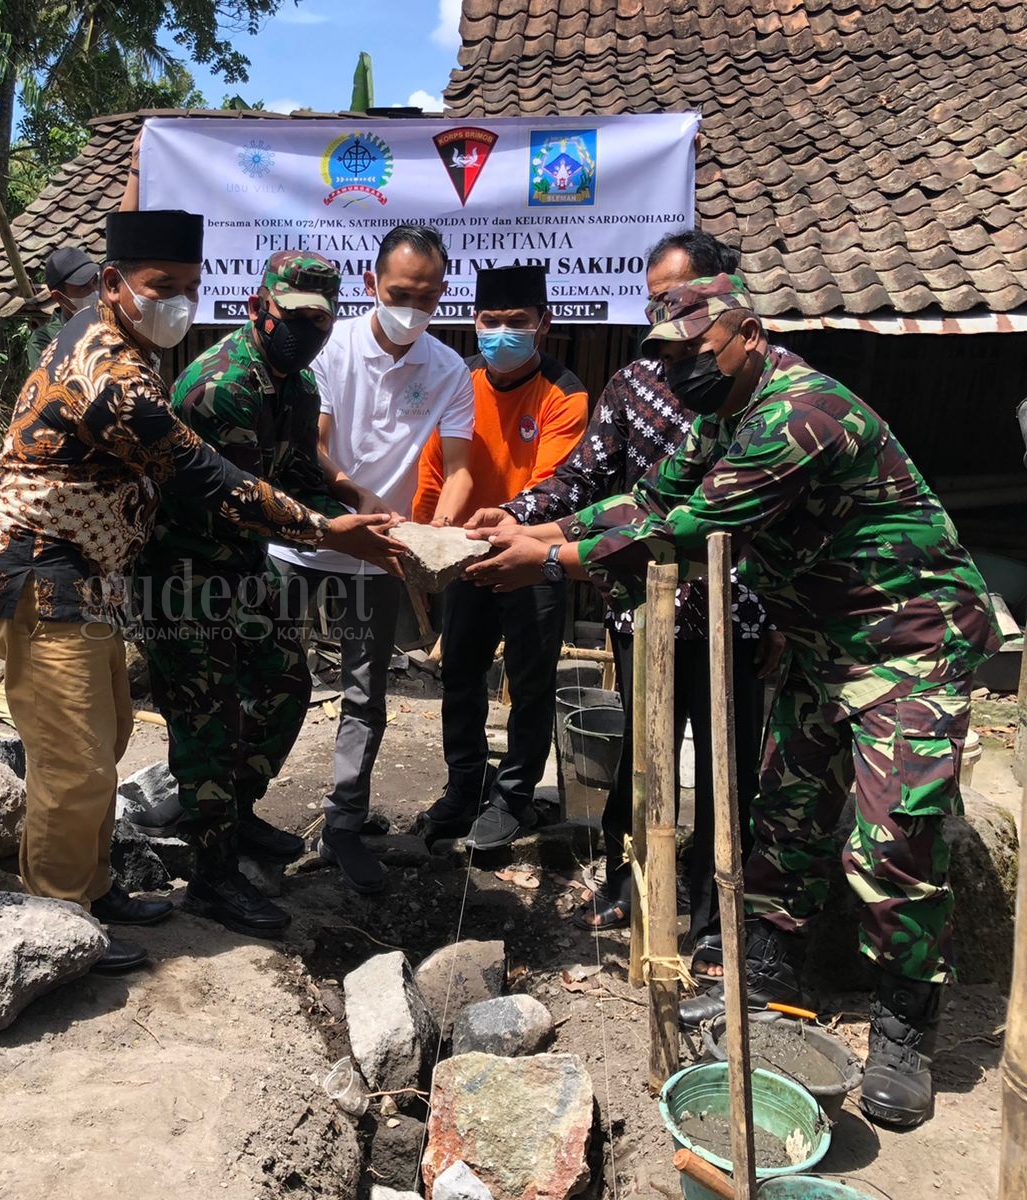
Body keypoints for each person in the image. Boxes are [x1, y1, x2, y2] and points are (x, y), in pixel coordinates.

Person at [469, 272, 1001, 1129]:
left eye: (694, 352)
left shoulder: (800, 415)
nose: (681, 371)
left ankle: (906, 1029)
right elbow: (649, 498)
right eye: (668, 358)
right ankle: (771, 983)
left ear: (747, 334)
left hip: (906, 642)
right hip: (819, 643)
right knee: (784, 818)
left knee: (892, 841)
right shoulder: (721, 417)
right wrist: (536, 530)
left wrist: (552, 562)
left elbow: (695, 526)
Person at [0, 210, 404, 970]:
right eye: (159, 286)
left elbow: (288, 466)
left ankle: (94, 886)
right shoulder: (112, 375)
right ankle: (56, 926)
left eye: (188, 288)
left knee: (101, 742)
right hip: (46, 571)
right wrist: (328, 531)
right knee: (77, 759)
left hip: (91, 573)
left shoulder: (128, 348)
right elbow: (208, 479)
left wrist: (344, 504)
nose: (177, 302)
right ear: (113, 285)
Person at [477, 231, 776, 979]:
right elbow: (593, 486)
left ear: (721, 298)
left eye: (676, 300)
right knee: (642, 760)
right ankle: (624, 880)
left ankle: (713, 915)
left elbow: (677, 521)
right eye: (653, 303)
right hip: (642, 604)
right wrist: (518, 517)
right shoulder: (636, 382)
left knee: (722, 767)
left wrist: (545, 553)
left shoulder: (753, 387)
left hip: (727, 614)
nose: (663, 318)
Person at [129, 251, 350, 936]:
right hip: (181, 573)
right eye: (295, 316)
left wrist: (357, 516)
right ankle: (211, 873)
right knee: (208, 717)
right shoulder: (221, 386)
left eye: (321, 319)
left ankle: (238, 813)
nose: (308, 330)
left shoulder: (298, 386)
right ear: (261, 308)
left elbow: (296, 475)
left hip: (243, 568)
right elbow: (242, 499)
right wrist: (335, 531)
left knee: (287, 683)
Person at [267, 223, 475, 894]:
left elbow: (462, 468)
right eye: (398, 293)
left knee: (366, 693)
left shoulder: (447, 370)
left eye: (426, 296)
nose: (411, 306)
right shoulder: (332, 348)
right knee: (271, 675)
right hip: (304, 541)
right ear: (370, 287)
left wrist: (436, 536)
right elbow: (314, 445)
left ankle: (346, 823)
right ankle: (235, 810)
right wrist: (349, 496)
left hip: (382, 554)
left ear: (443, 294)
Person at [410, 264, 587, 850]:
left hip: (532, 556)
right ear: (474, 321)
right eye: (491, 321)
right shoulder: (458, 380)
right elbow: (434, 467)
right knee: (460, 673)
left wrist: (512, 536)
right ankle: (464, 786)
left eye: (517, 322)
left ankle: (513, 795)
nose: (502, 333)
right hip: (461, 550)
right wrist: (425, 539)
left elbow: (553, 483)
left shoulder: (565, 393)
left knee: (530, 681)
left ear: (544, 324)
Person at [27, 247, 100, 363]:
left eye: (96, 281)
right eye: (84, 287)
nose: (94, 290)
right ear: (59, 296)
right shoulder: (45, 341)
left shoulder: (116, 321)